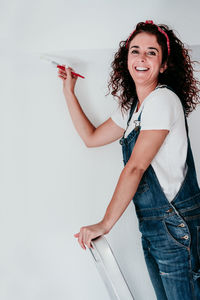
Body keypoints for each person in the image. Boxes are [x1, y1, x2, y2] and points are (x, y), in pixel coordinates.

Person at [58, 20, 200, 299]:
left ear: (163, 65)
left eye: (151, 52)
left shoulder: (162, 101)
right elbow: (91, 138)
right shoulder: (134, 107)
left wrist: (105, 223)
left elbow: (136, 167)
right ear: (126, 59)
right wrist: (68, 92)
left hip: (176, 224)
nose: (141, 58)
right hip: (156, 227)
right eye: (135, 50)